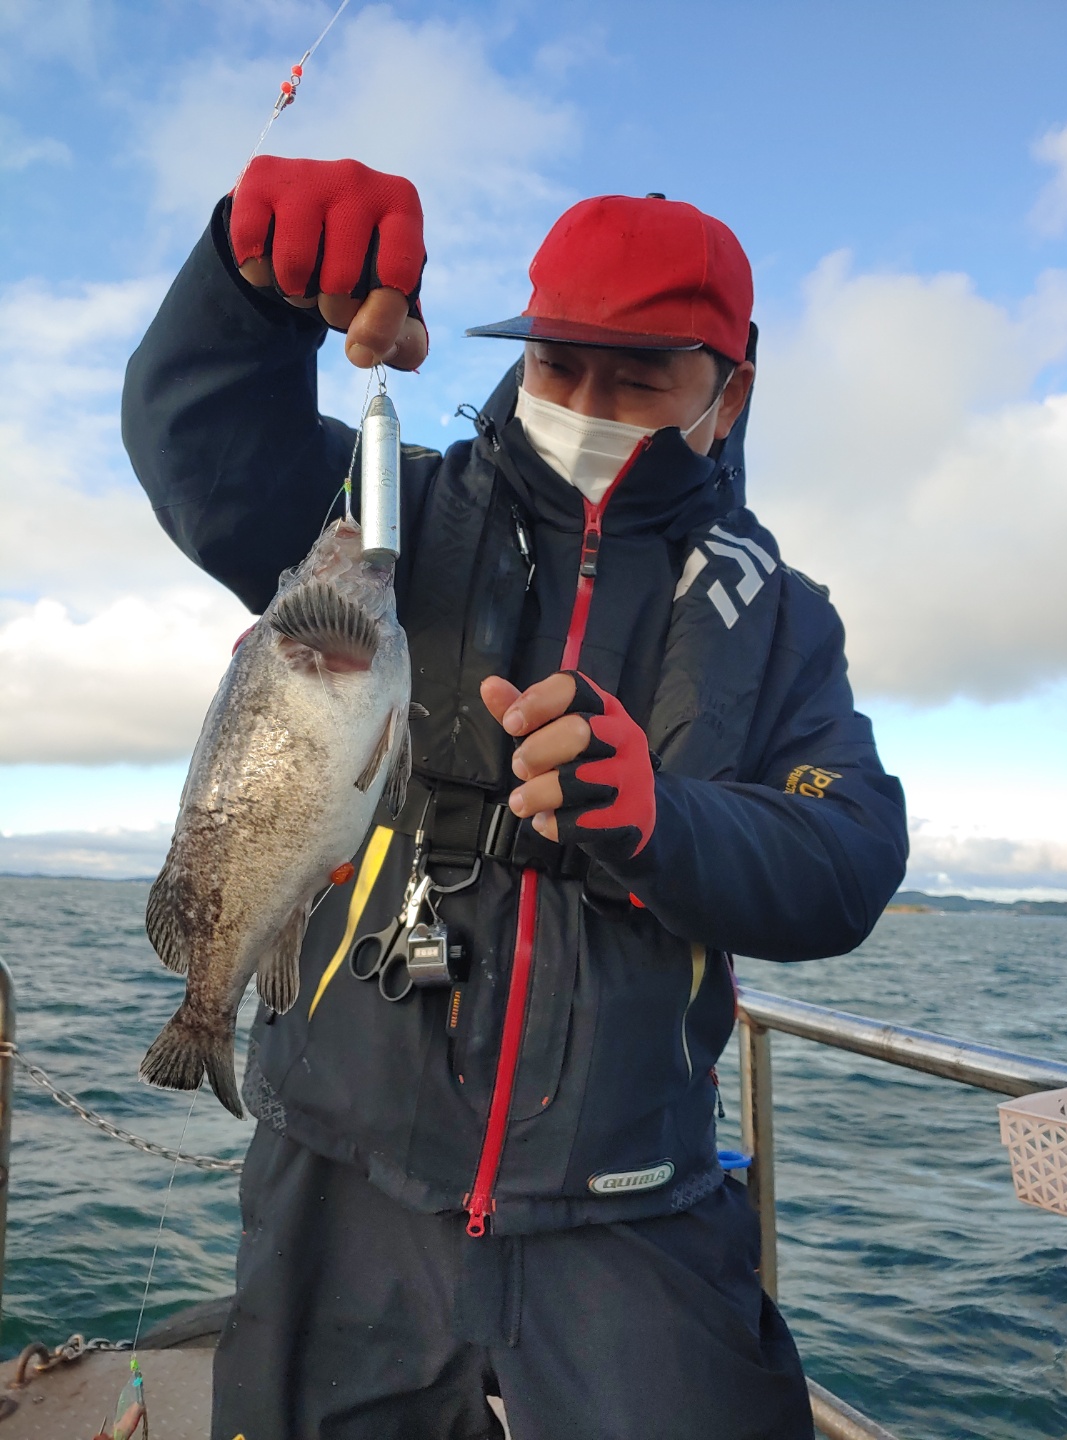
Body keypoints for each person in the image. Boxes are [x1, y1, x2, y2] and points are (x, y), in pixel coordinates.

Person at [122, 155, 908, 1440]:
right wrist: (248, 290)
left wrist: (662, 820)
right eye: (558, 363)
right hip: (340, 1169)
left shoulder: (776, 619)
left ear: (732, 391)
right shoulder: (393, 512)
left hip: (634, 1200)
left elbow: (850, 851)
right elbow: (199, 447)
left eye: (639, 377)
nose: (586, 403)